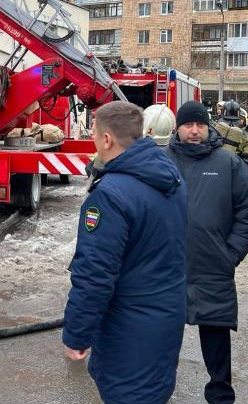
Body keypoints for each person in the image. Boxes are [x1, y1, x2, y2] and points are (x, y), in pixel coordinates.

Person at [63, 101, 188, 404]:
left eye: (93, 132)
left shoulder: (110, 194)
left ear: (107, 139)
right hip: (166, 316)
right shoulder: (171, 178)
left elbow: (94, 273)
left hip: (129, 327)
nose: (92, 139)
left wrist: (77, 334)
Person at [166, 101, 248, 404]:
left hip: (212, 267)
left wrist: (229, 254)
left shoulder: (228, 164)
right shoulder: (161, 161)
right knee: (164, 336)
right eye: (188, 125)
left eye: (200, 125)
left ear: (209, 127)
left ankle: (220, 395)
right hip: (167, 268)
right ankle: (159, 388)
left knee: (216, 335)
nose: (194, 131)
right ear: (177, 128)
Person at [214, 100, 248, 180]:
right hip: (235, 174)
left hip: (215, 172)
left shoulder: (215, 128)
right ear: (238, 113)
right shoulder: (244, 134)